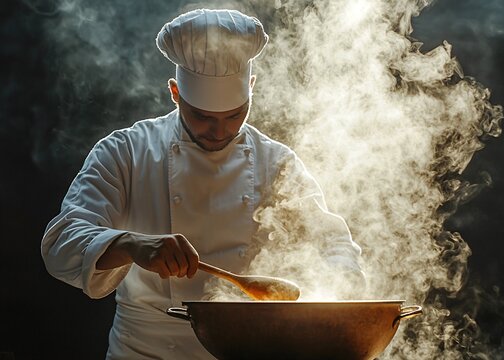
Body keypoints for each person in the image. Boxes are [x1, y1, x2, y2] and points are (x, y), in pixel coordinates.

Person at [41, 8, 363, 359]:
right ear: (175, 92)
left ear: (251, 89)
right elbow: (62, 245)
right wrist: (131, 245)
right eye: (202, 116)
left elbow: (332, 241)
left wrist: (340, 291)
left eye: (235, 115)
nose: (220, 131)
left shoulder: (276, 161)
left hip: (246, 349)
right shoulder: (126, 151)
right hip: (147, 349)